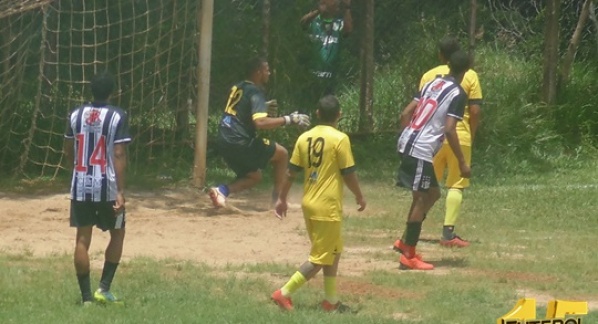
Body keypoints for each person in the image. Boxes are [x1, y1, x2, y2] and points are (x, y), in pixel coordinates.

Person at [271, 95, 366, 311]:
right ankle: (283, 292)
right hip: (327, 206)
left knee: (333, 251)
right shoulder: (340, 139)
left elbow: (291, 172)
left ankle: (330, 301)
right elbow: (348, 173)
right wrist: (359, 196)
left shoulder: (304, 138)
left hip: (309, 203)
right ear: (339, 115)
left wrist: (282, 198)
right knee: (320, 258)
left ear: (317, 114)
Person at [398, 36, 483, 248]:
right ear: (466, 69)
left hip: (422, 141)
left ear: (442, 58)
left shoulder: (431, 78)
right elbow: (473, 112)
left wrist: (406, 135)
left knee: (427, 192)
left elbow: (409, 112)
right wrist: (469, 144)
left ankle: (406, 239)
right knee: (452, 185)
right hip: (450, 137)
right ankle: (441, 235)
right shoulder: (463, 85)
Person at [63, 72, 131, 305]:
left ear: (91, 90)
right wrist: (120, 191)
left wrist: (74, 172)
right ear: (112, 92)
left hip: (81, 186)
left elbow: (68, 149)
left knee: (82, 239)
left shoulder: (75, 115)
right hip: (108, 187)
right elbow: (119, 153)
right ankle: (103, 288)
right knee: (119, 231)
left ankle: (85, 299)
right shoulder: (118, 115)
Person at [208, 57, 310, 208]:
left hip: (223, 139)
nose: (269, 73)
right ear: (258, 72)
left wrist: (262, 108)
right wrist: (290, 119)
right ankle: (278, 200)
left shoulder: (238, 87)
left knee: (254, 176)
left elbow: (239, 112)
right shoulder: (255, 92)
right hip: (239, 140)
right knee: (282, 154)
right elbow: (260, 123)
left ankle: (221, 191)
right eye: (266, 70)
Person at [298, 0, 353, 114]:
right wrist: (318, 11)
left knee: (328, 109)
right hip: (312, 75)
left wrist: (347, 7)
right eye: (333, 2)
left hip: (331, 76)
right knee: (309, 107)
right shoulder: (314, 21)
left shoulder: (338, 23)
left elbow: (348, 30)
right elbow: (302, 23)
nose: (337, 4)